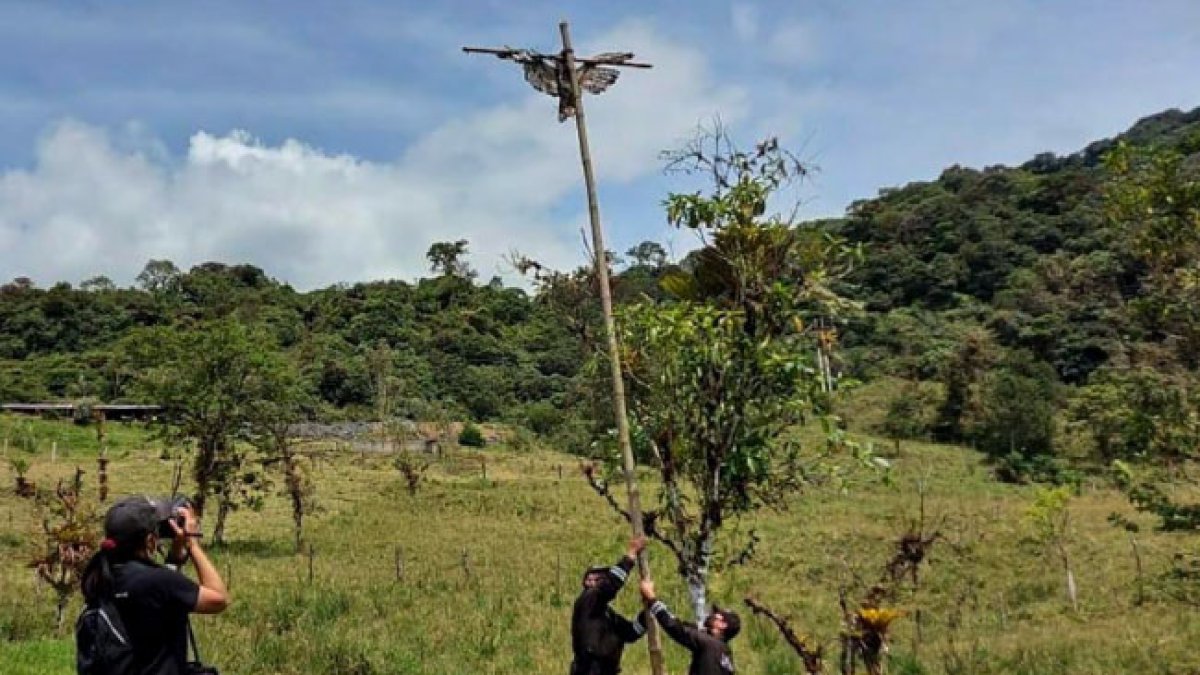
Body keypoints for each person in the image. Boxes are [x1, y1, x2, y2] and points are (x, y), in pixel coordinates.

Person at [80, 496, 230, 675]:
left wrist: (174, 557)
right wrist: (192, 544)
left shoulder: (101, 577)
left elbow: (158, 596)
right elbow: (219, 599)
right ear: (150, 541)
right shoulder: (158, 581)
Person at [570, 534, 650, 675]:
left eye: (600, 579)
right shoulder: (587, 601)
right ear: (586, 583)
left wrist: (648, 612)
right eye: (592, 579)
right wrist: (631, 554)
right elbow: (610, 585)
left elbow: (630, 632)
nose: (595, 583)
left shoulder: (607, 615)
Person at [639, 579, 740, 675]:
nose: (711, 614)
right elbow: (686, 626)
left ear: (723, 625)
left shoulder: (708, 643)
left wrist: (651, 598)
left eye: (717, 614)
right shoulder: (725, 654)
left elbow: (675, 627)